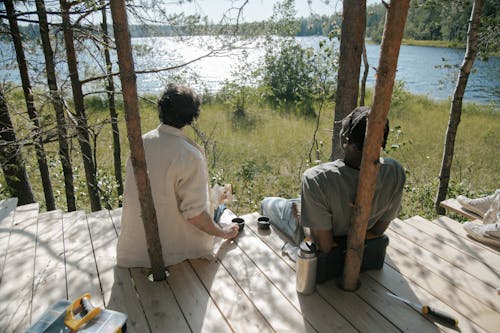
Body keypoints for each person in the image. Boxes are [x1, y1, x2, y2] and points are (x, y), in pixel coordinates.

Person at [116, 84, 239, 268]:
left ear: (162, 109)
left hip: (133, 247)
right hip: (172, 248)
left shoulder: (141, 142)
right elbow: (195, 214)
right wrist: (223, 233)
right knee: (221, 201)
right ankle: (224, 198)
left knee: (218, 195)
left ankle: (221, 195)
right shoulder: (189, 154)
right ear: (192, 117)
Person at [261, 106, 406, 253]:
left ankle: (285, 207)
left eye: (343, 127)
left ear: (346, 138)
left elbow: (324, 246)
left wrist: (301, 217)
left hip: (323, 238)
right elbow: (378, 231)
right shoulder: (395, 171)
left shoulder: (317, 178)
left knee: (267, 203)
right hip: (355, 239)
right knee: (299, 201)